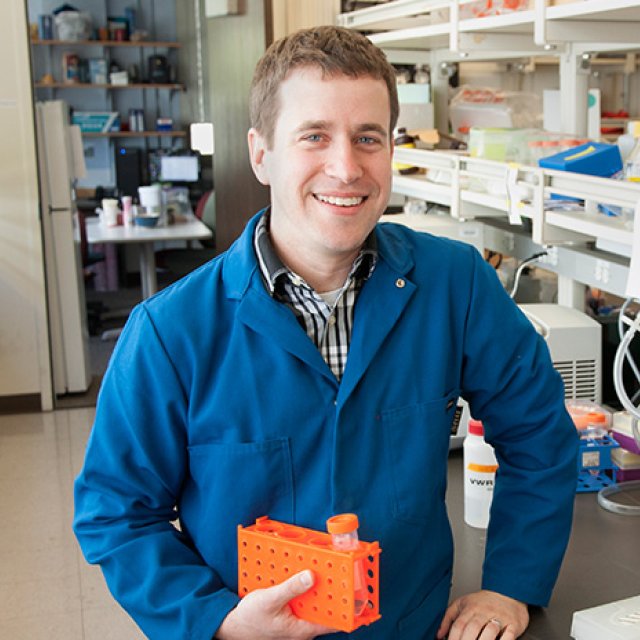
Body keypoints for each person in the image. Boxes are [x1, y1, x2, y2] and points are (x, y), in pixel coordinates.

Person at [73, 25, 578, 640]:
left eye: (368, 138)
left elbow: (540, 436)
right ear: (261, 154)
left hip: (411, 628)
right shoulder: (170, 331)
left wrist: (510, 585)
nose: (346, 168)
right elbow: (117, 515)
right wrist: (217, 622)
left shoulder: (456, 285)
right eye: (314, 136)